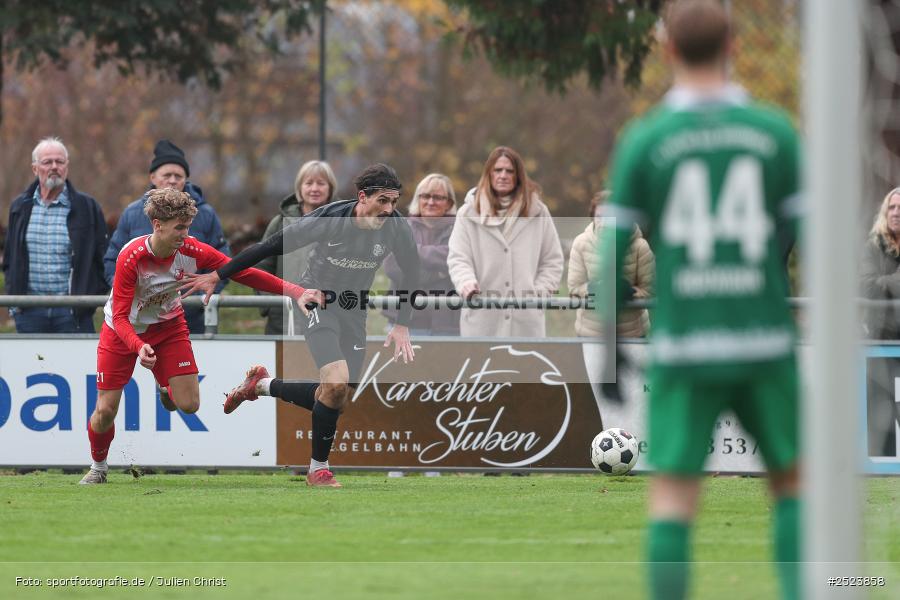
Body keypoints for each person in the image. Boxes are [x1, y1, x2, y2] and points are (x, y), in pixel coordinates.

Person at [600, 1, 802, 598]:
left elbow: (609, 255)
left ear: (665, 50)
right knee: (792, 484)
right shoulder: (774, 133)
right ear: (734, 45)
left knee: (672, 497)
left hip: (686, 344)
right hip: (764, 338)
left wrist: (611, 345)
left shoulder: (646, 139)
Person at [179, 164, 420, 488]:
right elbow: (268, 246)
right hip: (317, 301)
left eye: (394, 202)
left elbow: (413, 272)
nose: (389, 209)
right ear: (362, 197)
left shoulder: (396, 228)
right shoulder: (330, 220)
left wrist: (402, 324)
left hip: (353, 309)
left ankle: (261, 386)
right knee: (334, 385)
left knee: (337, 397)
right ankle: (318, 470)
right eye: (383, 201)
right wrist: (218, 274)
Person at [79, 188, 322, 485]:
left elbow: (242, 271)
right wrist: (139, 345)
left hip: (168, 328)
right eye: (179, 227)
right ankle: (98, 467)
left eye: (188, 227)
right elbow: (119, 317)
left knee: (189, 405)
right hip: (122, 332)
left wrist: (295, 291)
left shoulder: (192, 251)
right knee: (105, 410)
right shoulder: (132, 257)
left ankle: (164, 386)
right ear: (158, 225)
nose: (185, 234)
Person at [104, 140, 230, 334]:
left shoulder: (205, 213)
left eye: (178, 175)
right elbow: (113, 258)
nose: (172, 180)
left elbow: (222, 259)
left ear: (186, 179)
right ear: (153, 177)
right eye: (166, 175)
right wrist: (124, 290)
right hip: (137, 317)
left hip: (190, 315)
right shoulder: (131, 213)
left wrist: (201, 291)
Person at [447, 146, 563, 337]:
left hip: (526, 322)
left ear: (518, 176)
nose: (503, 175)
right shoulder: (467, 213)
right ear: (489, 174)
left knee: (526, 367)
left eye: (509, 171)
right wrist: (466, 282)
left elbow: (552, 259)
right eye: (497, 170)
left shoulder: (538, 211)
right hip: (481, 320)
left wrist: (539, 294)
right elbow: (458, 258)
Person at [3, 137, 109, 333]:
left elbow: (102, 258)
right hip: (29, 312)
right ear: (35, 168)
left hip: (72, 313)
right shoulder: (20, 207)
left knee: (77, 365)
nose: (54, 167)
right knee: (31, 364)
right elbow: (10, 258)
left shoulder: (87, 207)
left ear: (66, 166)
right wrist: (16, 301)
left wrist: (88, 301)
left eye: (59, 162)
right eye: (47, 162)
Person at [257, 160, 338, 335]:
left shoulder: (343, 224)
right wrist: (271, 305)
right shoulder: (280, 223)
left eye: (321, 183)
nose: (314, 188)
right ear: (299, 188)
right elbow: (261, 267)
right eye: (308, 183)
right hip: (283, 320)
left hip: (328, 319)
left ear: (330, 188)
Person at [568, 191, 654, 338]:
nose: (604, 222)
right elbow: (574, 287)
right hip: (591, 333)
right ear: (592, 217)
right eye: (599, 216)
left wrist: (629, 292)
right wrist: (594, 289)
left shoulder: (640, 246)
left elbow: (650, 290)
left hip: (632, 333)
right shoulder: (580, 243)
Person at [383, 173, 460, 336]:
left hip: (446, 322)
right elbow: (391, 266)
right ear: (418, 199)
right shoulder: (401, 227)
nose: (431, 202)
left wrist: (413, 250)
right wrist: (439, 273)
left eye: (438, 197)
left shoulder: (460, 230)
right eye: (425, 196)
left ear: (449, 203)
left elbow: (457, 259)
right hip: (405, 321)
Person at [860, 187, 900, 456]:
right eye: (892, 207)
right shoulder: (873, 246)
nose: (896, 213)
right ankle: (884, 471)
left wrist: (885, 284)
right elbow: (864, 287)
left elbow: (877, 285)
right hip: (881, 340)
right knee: (880, 410)